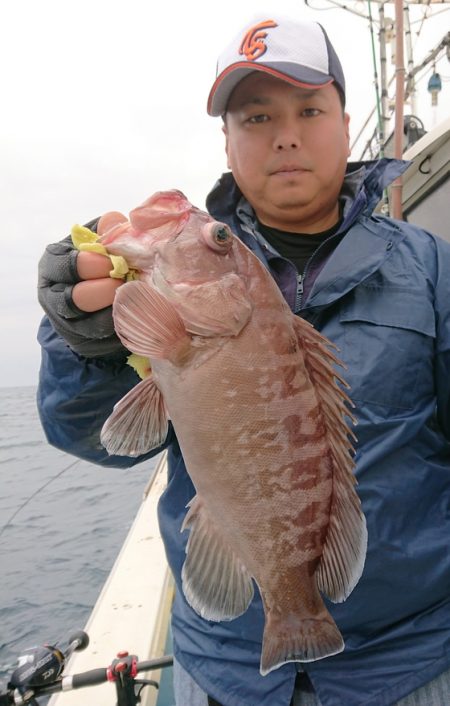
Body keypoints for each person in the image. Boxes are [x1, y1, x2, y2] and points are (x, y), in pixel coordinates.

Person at [36, 12, 450, 706]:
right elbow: (96, 439)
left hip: (410, 661)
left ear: (346, 124)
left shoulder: (433, 270)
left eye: (309, 108)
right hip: (225, 668)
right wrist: (87, 345)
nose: (285, 133)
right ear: (227, 143)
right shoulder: (161, 285)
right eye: (255, 117)